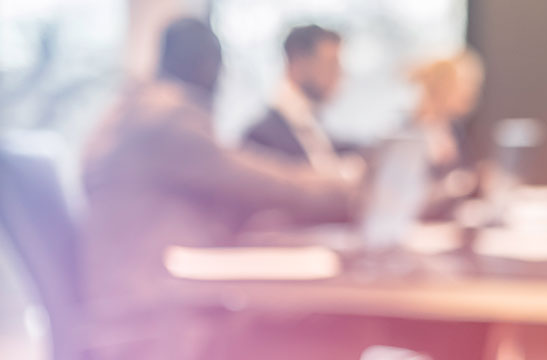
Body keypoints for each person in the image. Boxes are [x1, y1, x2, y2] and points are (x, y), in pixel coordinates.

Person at [81, 18, 359, 359]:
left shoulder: (134, 111)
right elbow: (260, 180)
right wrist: (349, 191)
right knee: (321, 334)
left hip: (135, 297)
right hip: (157, 311)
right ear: (207, 67)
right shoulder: (167, 118)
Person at [241, 25, 357, 176]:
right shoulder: (260, 138)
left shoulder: (312, 126)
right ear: (298, 63)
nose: (340, 74)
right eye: (331, 64)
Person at [408, 50, 487, 220]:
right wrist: (454, 187)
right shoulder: (411, 132)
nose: (472, 91)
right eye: (466, 83)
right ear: (443, 85)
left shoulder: (454, 130)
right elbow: (408, 199)